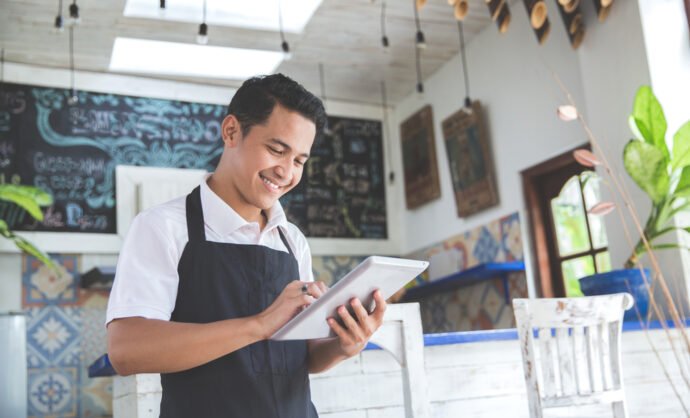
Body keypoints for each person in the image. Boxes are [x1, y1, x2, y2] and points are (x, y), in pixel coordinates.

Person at [106, 74, 387, 418]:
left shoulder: (292, 240)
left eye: (299, 160)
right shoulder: (162, 227)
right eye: (276, 150)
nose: (286, 172)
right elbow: (126, 350)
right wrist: (258, 325)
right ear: (231, 132)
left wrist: (344, 345)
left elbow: (301, 358)